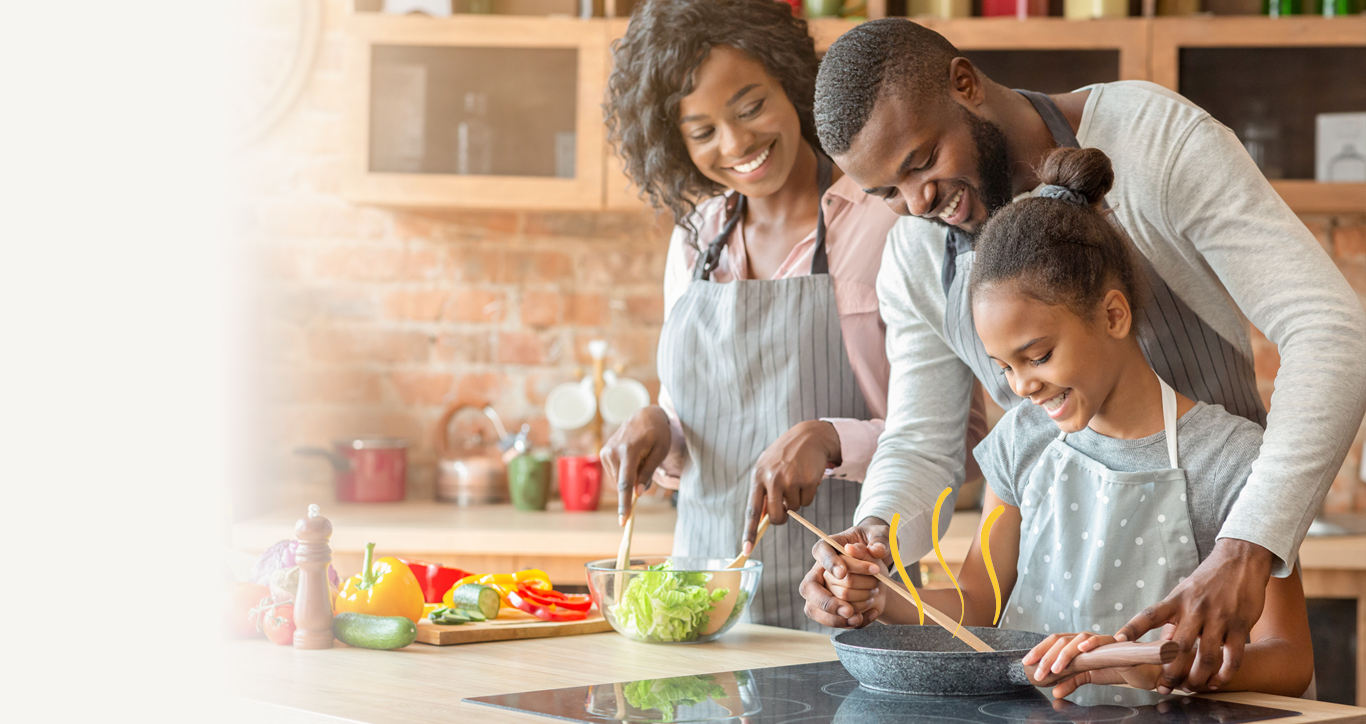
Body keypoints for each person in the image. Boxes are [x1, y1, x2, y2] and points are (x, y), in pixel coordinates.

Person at [801, 18, 1366, 689]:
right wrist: (872, 547)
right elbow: (922, 439)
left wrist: (1248, 545)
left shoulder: (1153, 142)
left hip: (1220, 551)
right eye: (887, 193)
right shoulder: (921, 258)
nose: (918, 203)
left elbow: (1329, 330)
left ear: (965, 83)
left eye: (922, 162)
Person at [598, 0, 984, 631]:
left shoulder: (889, 219)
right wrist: (656, 428)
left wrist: (834, 440)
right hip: (703, 613)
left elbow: (959, 443)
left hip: (854, 601)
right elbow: (696, 427)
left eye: (751, 107)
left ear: (792, 85)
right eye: (702, 132)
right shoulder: (697, 238)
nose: (736, 143)